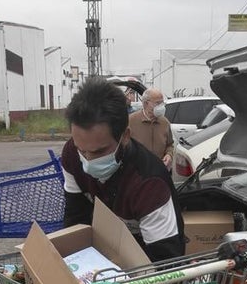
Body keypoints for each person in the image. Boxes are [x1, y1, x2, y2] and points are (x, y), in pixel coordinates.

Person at [61, 77, 185, 262]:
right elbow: (76, 218)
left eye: (99, 151)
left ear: (125, 136)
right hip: (106, 246)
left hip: (145, 253)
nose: (88, 160)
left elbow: (165, 261)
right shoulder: (71, 154)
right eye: (82, 149)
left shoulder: (150, 183)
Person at [127, 87, 174, 169]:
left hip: (159, 170)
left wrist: (169, 155)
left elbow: (170, 144)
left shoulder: (165, 122)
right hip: (137, 172)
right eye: (157, 103)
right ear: (145, 103)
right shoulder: (131, 121)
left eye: (162, 103)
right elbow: (123, 146)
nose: (161, 106)